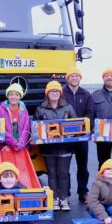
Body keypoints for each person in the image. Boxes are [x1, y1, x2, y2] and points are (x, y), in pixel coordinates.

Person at [34, 81, 77, 211]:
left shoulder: (68, 107)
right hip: (48, 148)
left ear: (60, 93)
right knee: (51, 174)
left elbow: (76, 125)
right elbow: (36, 127)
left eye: (57, 91)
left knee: (63, 174)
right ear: (47, 93)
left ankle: (63, 199)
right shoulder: (40, 108)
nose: (54, 93)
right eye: (52, 91)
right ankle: (54, 199)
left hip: (65, 147)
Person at [62, 68, 94, 203]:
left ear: (80, 78)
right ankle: (66, 193)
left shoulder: (86, 94)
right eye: (72, 76)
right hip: (65, 136)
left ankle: (83, 192)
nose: (74, 78)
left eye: (77, 76)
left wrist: (82, 127)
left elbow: (90, 113)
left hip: (81, 136)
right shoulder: (61, 94)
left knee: (83, 166)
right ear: (67, 78)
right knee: (65, 167)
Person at [91, 67, 112, 169]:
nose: (109, 77)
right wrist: (92, 132)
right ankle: (103, 185)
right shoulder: (95, 95)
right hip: (102, 135)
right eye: (106, 76)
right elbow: (92, 114)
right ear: (103, 78)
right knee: (103, 163)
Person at [0, 83, 31, 156]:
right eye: (11, 94)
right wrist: (13, 143)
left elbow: (26, 128)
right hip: (4, 147)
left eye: (17, 95)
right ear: (7, 96)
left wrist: (20, 144)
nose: (13, 97)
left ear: (20, 96)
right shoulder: (0, 110)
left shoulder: (24, 110)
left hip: (21, 148)